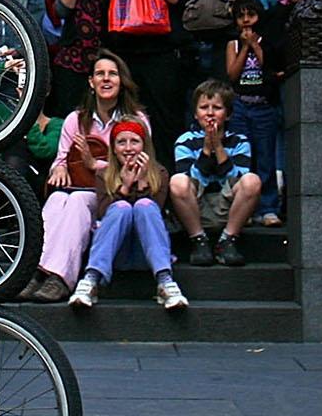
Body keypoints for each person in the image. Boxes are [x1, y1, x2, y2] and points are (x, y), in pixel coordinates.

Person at [26, 51, 145, 302]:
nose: (106, 79)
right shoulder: (75, 119)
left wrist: (94, 164)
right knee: (57, 200)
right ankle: (35, 273)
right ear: (91, 81)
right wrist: (58, 168)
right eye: (99, 74)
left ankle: (60, 277)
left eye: (112, 74)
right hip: (76, 188)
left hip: (113, 195)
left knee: (79, 201)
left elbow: (138, 166)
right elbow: (61, 159)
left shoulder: (136, 121)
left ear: (121, 80)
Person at [105, 0, 197, 162]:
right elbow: (109, 0)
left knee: (165, 124)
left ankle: (165, 183)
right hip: (129, 57)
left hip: (164, 58)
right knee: (128, 123)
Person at [68, 115, 187, 310]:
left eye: (135, 141)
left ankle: (165, 281)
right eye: (121, 142)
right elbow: (104, 214)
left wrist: (141, 184)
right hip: (115, 253)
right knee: (121, 208)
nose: (128, 148)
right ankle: (90, 281)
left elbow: (154, 213)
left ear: (144, 146)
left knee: (145, 205)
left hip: (147, 253)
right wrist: (124, 186)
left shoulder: (160, 173)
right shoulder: (103, 174)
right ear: (113, 149)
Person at [169, 79, 263, 268]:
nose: (210, 113)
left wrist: (218, 148)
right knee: (178, 181)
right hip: (197, 208)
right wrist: (205, 150)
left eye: (217, 108)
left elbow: (238, 178)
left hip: (228, 208)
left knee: (252, 180)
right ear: (195, 114)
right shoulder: (185, 141)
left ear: (228, 114)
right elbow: (190, 180)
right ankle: (199, 240)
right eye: (204, 107)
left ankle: (227, 240)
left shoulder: (239, 141)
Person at [223, 0, 284, 226]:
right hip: (240, 104)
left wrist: (255, 45)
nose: (246, 20)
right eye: (241, 16)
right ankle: (244, 206)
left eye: (251, 15)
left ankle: (268, 207)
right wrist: (244, 47)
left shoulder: (267, 40)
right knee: (242, 156)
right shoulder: (233, 43)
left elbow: (269, 67)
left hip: (264, 105)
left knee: (265, 156)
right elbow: (232, 74)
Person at [46, 0, 112, 116]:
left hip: (104, 58)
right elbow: (60, 10)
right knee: (68, 114)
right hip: (71, 60)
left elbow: (111, 4)